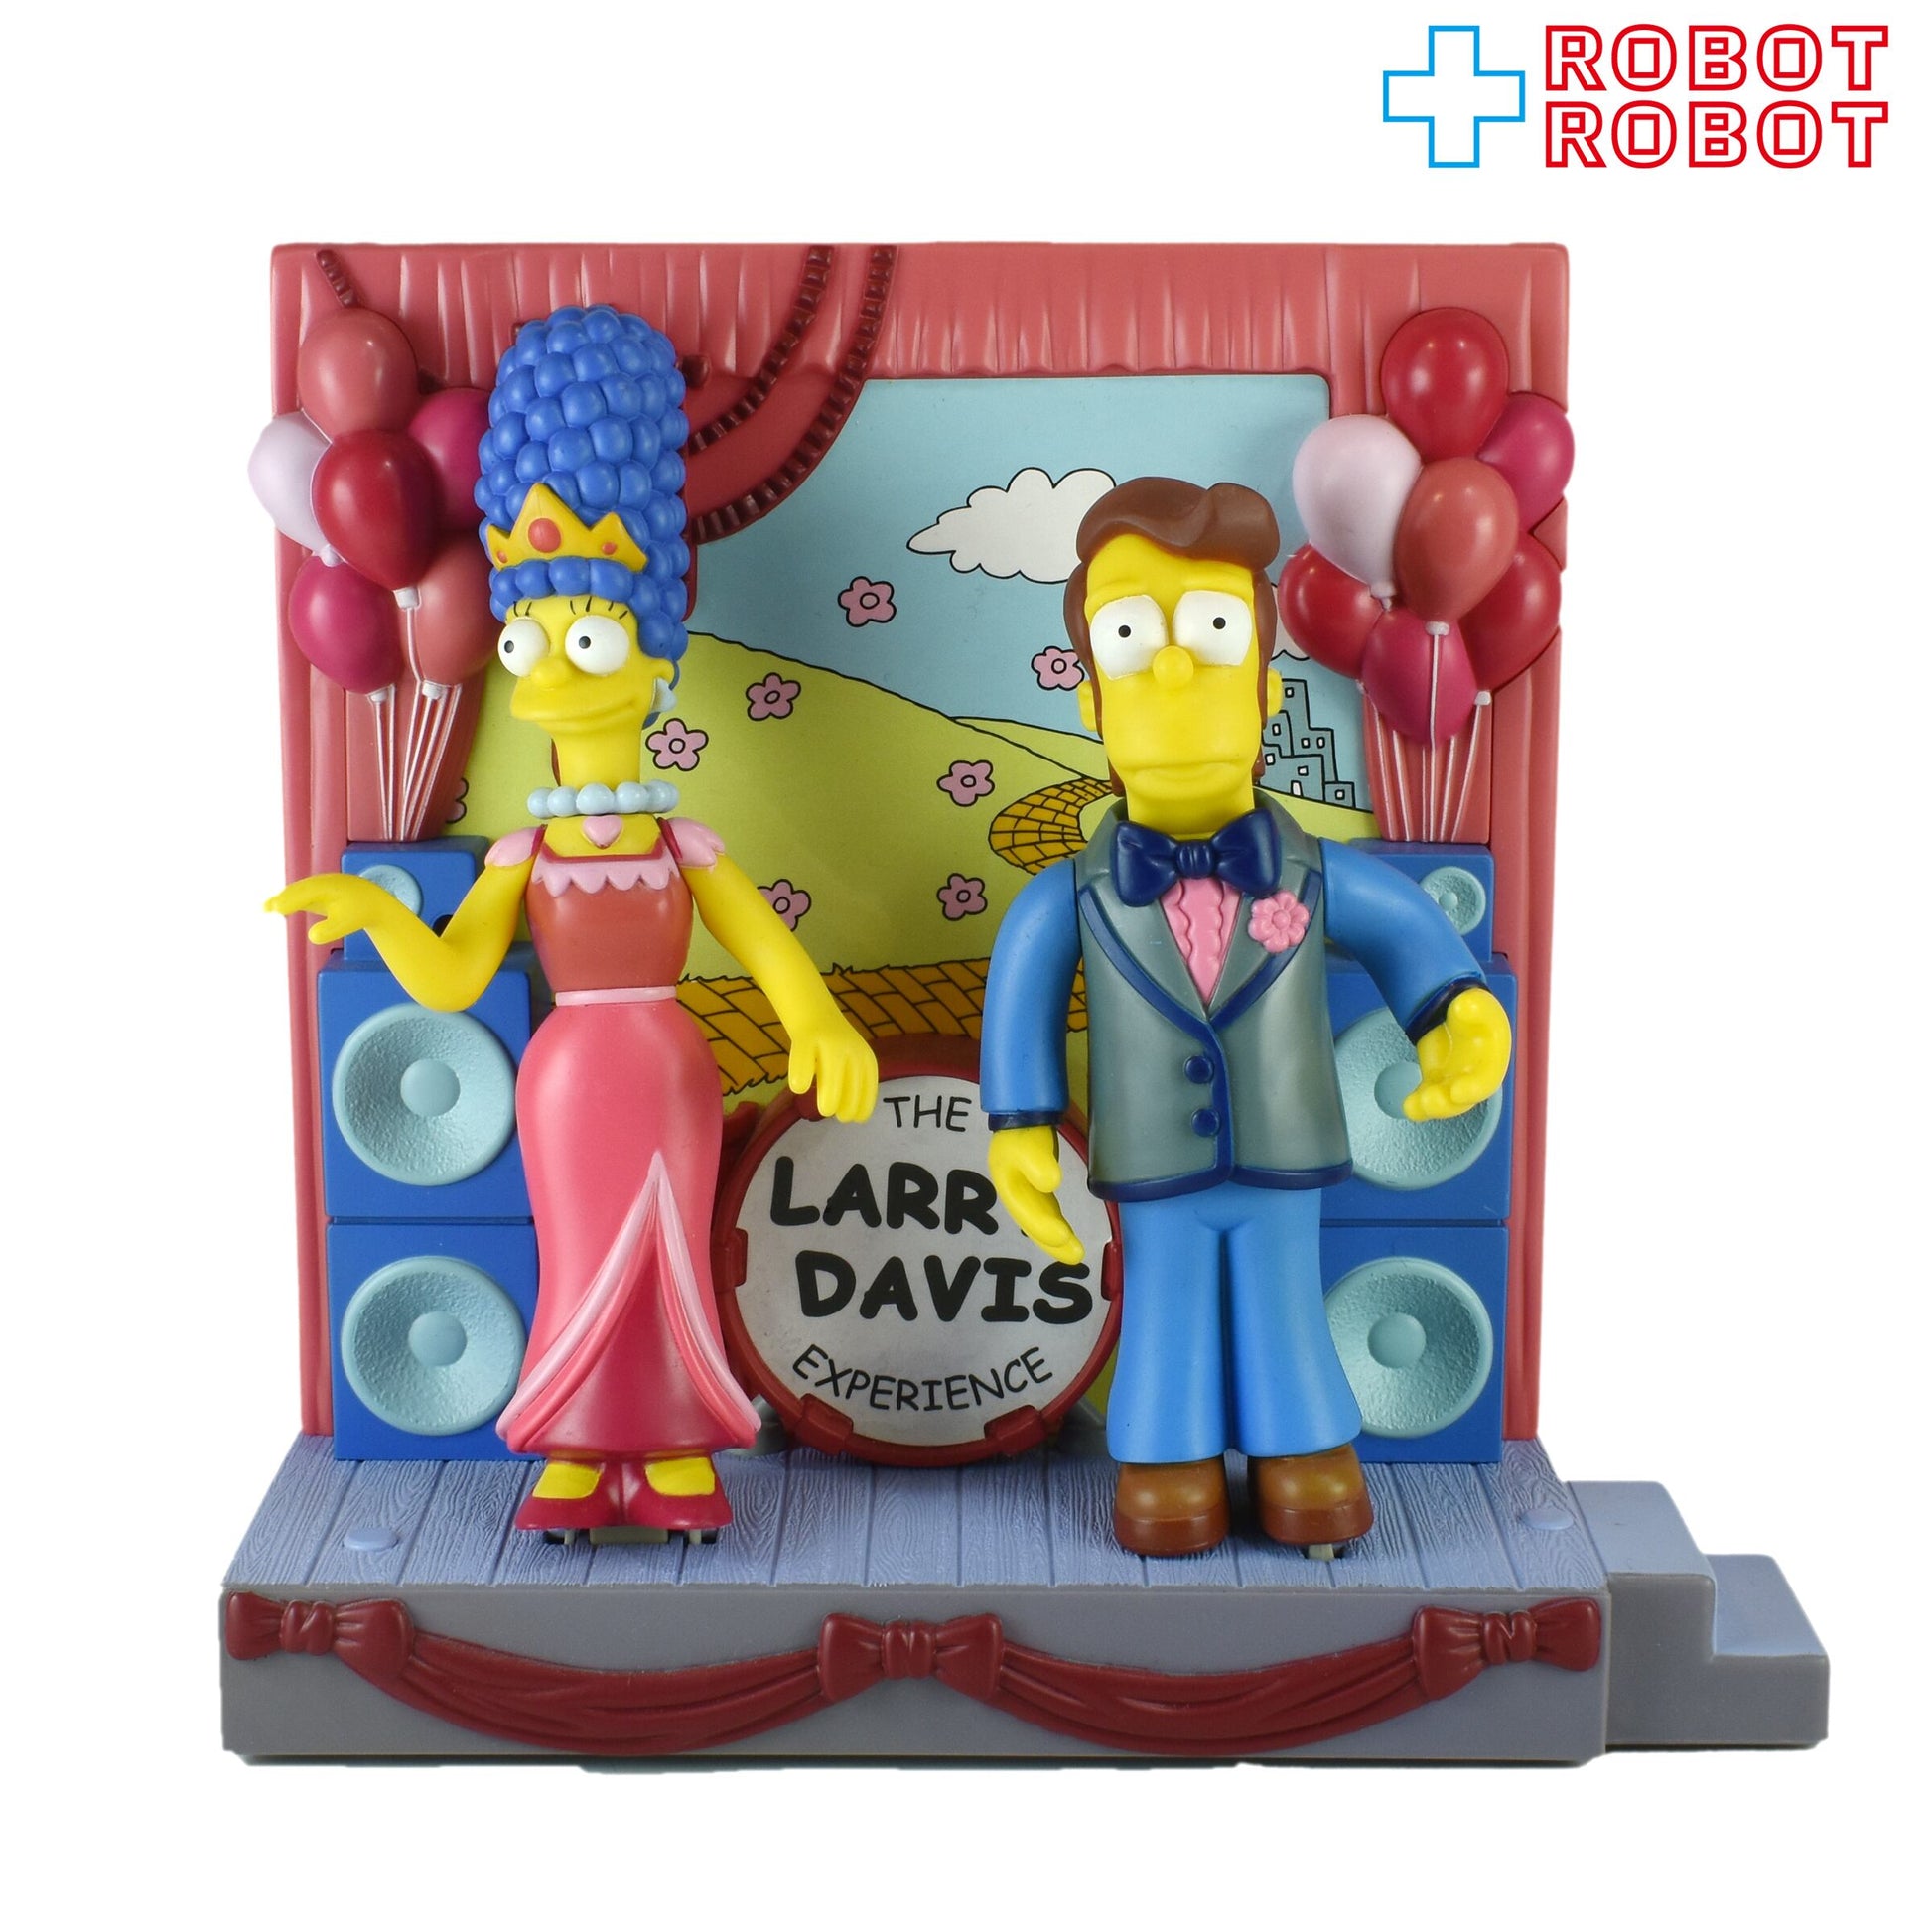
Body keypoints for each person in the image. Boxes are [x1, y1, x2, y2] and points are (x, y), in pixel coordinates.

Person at [272, 305, 876, 1541]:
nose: (547, 665)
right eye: (527, 633)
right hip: (563, 1077)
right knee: (578, 1254)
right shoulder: (523, 852)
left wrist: (817, 1021)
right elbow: (455, 978)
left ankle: (671, 1451)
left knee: (666, 1255)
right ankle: (575, 1446)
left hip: (665, 1068)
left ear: (654, 660)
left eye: (585, 634)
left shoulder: (681, 844)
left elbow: (764, 944)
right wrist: (375, 913)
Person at [980, 477, 1510, 1558]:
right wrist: (1018, 1126)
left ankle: (1301, 1447)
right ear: (1091, 704)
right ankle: (1164, 1453)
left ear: (1265, 690)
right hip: (1152, 1159)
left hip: (1282, 1146)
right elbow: (1022, 990)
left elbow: (1405, 930)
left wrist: (1457, 1010)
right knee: (1165, 1298)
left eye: (1212, 633)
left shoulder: (1311, 873)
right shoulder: (1071, 895)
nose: (1173, 670)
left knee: (1281, 1297)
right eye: (1131, 640)